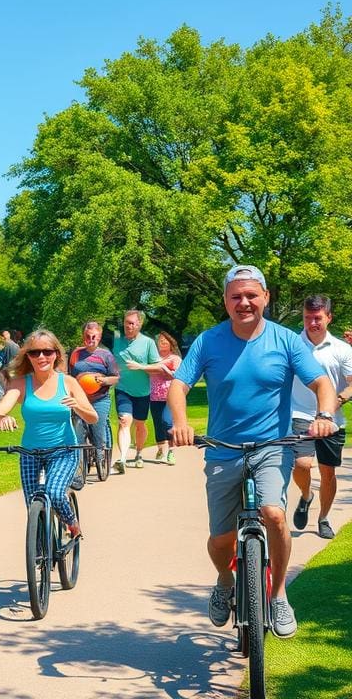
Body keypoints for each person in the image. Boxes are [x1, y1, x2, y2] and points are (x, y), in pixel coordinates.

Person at [169, 265, 337, 639]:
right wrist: (180, 422)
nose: (244, 303)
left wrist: (325, 414)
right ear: (226, 301)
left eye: (251, 295)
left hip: (271, 448)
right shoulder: (208, 341)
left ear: (265, 298)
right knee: (220, 539)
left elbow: (321, 382)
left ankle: (278, 595)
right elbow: (179, 386)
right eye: (235, 296)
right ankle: (225, 581)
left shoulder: (285, 341)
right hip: (223, 450)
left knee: (274, 515)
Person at [0, 330, 97, 538]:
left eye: (47, 352)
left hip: (63, 451)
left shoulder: (68, 383)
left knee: (55, 493)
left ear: (56, 354)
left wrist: (78, 408)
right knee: (33, 504)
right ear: (28, 356)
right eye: (35, 352)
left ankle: (71, 522)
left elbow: (93, 418)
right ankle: (39, 551)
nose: (41, 357)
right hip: (30, 452)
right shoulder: (21, 383)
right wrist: (1, 418)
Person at [290, 295, 352, 540]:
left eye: (317, 318)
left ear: (329, 317)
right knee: (302, 464)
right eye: (307, 318)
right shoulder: (292, 345)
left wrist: (335, 402)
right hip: (300, 413)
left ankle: (323, 517)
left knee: (328, 473)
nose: (312, 323)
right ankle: (306, 496)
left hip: (332, 419)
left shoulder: (342, 349)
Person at [68, 321, 120, 475]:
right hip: (80, 400)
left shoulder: (106, 355)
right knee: (77, 433)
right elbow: (70, 376)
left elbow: (116, 377)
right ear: (83, 336)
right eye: (87, 336)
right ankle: (78, 468)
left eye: (94, 336)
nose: (90, 339)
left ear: (99, 337)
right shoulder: (76, 354)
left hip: (99, 399)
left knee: (98, 431)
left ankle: (99, 452)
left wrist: (104, 380)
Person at [112, 310, 160, 472]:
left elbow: (158, 367)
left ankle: (139, 453)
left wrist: (141, 367)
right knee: (124, 420)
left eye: (132, 323)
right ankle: (123, 459)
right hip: (122, 388)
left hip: (142, 391)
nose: (128, 326)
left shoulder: (148, 343)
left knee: (140, 424)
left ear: (139, 324)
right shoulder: (117, 340)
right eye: (126, 323)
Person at [149, 332, 182, 466]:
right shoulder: (153, 358)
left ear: (170, 344)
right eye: (160, 341)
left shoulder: (175, 359)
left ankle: (171, 451)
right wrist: (160, 368)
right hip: (154, 395)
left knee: (167, 422)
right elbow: (148, 370)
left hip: (170, 395)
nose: (161, 343)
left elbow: (177, 375)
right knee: (158, 424)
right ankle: (161, 450)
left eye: (165, 341)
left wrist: (164, 370)